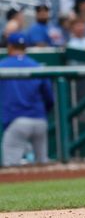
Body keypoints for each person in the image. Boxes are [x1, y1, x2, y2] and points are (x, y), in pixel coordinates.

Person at [0, 33, 54, 166]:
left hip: (16, 121)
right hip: (39, 120)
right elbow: (50, 98)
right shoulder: (37, 66)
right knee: (43, 165)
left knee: (11, 166)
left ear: (10, 47)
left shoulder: (2, 65)